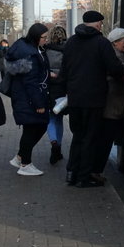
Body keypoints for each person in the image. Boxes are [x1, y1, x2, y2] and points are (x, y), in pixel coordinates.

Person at [61, 11, 124, 188]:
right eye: (101, 23)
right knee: (91, 137)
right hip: (95, 99)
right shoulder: (101, 42)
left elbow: (64, 71)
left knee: (78, 136)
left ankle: (71, 173)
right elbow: (114, 68)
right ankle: (84, 177)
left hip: (74, 98)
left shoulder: (71, 42)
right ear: (98, 24)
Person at [4, 23, 50, 176]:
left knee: (34, 128)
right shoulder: (30, 53)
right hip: (29, 99)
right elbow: (30, 81)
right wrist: (38, 104)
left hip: (22, 97)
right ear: (36, 37)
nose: (46, 40)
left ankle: (20, 158)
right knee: (34, 128)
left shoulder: (24, 47)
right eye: (43, 37)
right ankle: (25, 164)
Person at [94, 27, 124, 183]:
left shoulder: (117, 54)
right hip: (112, 105)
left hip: (113, 104)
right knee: (105, 139)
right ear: (115, 43)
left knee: (106, 139)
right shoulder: (114, 56)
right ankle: (96, 171)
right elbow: (119, 73)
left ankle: (96, 170)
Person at [43, 25, 68, 165]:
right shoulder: (68, 50)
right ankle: (58, 146)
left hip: (48, 86)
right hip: (62, 87)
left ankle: (54, 143)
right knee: (58, 118)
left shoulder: (45, 49)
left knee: (50, 118)